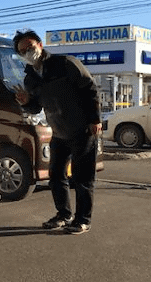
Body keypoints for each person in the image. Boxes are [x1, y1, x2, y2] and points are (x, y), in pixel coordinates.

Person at [12, 29, 102, 235]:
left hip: (82, 129)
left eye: (30, 47)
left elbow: (90, 88)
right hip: (59, 132)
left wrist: (95, 119)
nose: (28, 52)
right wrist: (26, 102)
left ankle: (83, 220)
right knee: (55, 176)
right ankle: (63, 214)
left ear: (40, 45)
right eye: (23, 51)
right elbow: (36, 108)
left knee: (82, 178)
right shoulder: (30, 78)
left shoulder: (65, 64)